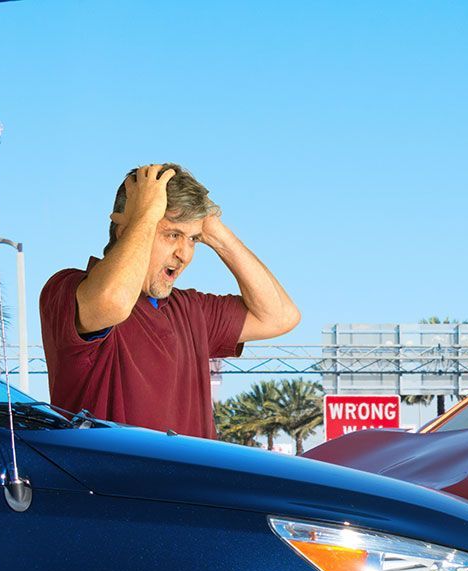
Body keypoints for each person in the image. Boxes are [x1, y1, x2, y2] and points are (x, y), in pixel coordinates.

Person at [39, 164, 298, 438]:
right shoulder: (67, 290)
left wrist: (217, 234)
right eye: (172, 234)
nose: (184, 253)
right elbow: (113, 301)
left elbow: (280, 316)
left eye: (193, 239)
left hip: (192, 481)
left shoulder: (190, 309)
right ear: (124, 228)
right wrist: (146, 215)